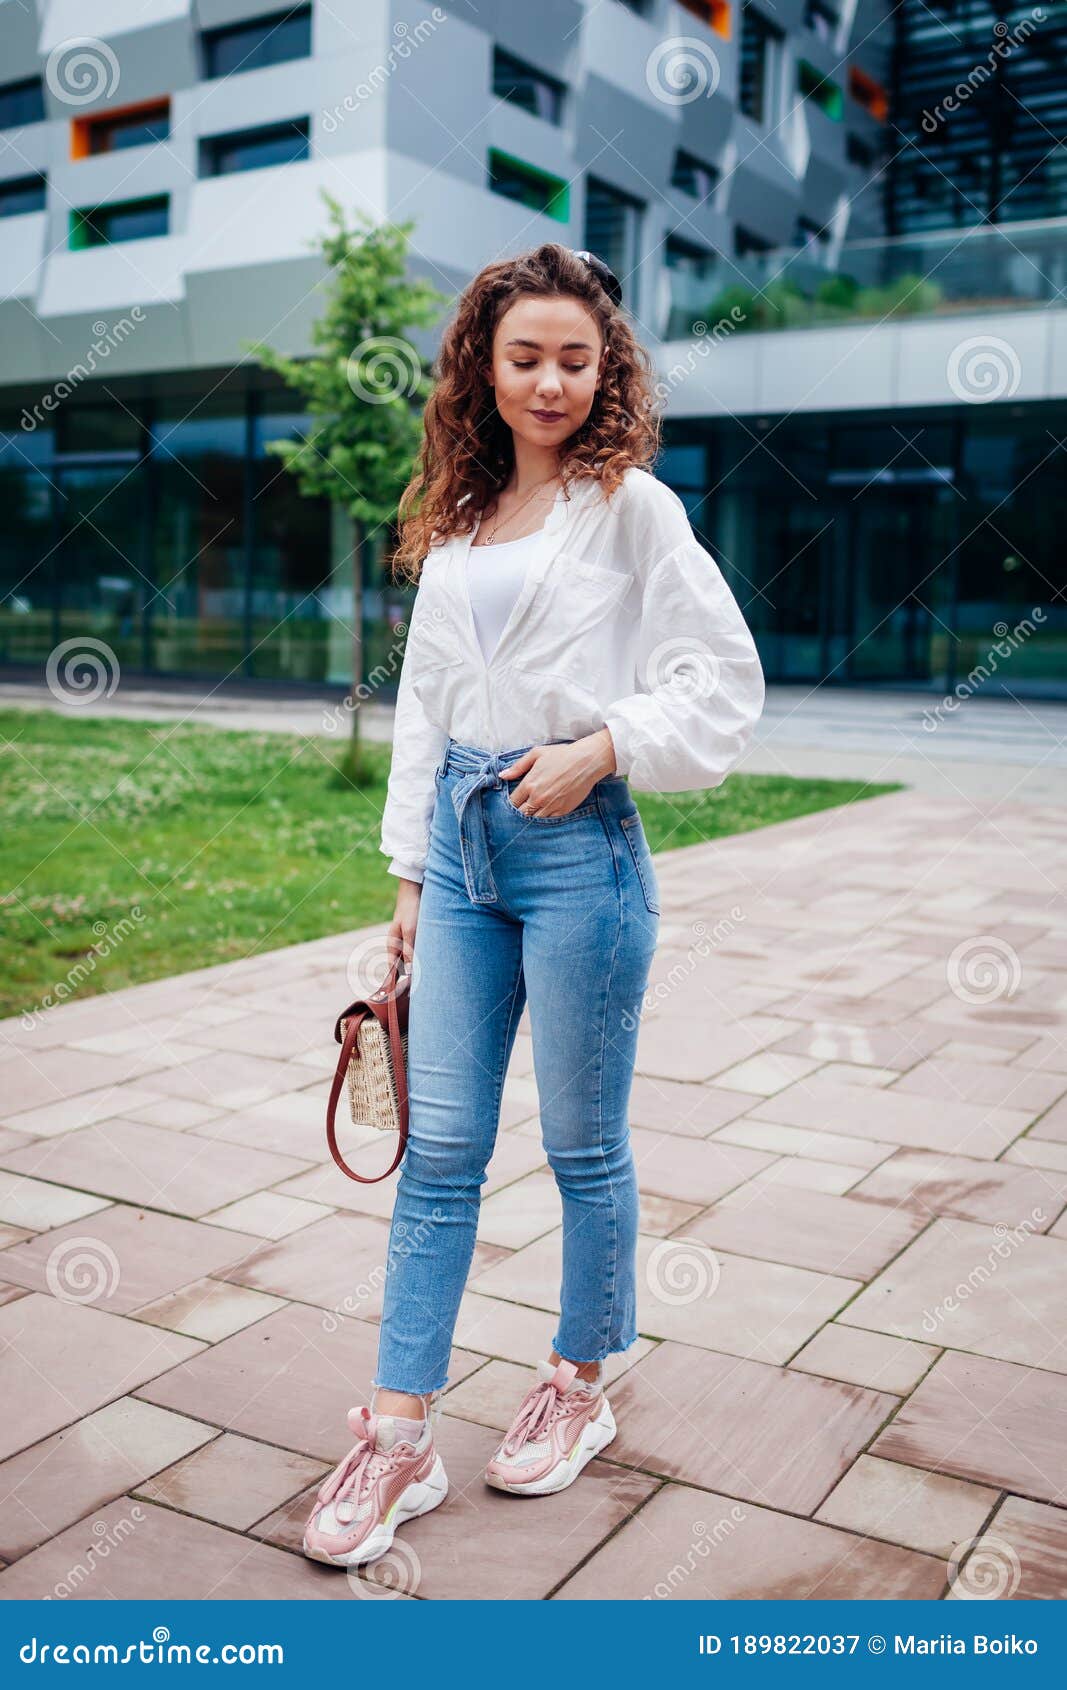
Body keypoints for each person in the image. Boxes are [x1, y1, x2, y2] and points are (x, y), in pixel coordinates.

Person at [303, 243, 764, 1570]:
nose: (551, 379)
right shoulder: (458, 513)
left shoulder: (634, 512)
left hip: (581, 854)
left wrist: (605, 744)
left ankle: (580, 1375)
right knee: (440, 1150)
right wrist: (405, 887)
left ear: (605, 366)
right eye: (526, 357)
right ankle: (398, 1439)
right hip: (457, 856)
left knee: (580, 1139)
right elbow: (427, 712)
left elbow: (722, 681)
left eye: (576, 356)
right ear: (483, 370)